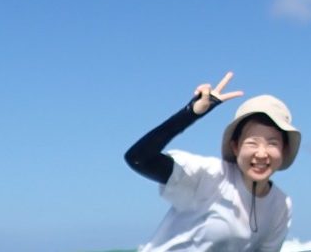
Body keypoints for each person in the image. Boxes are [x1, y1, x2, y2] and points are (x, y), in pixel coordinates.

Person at [125, 71, 301, 251]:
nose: (262, 154)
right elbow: (139, 158)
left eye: (272, 143)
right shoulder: (209, 175)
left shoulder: (281, 205)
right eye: (252, 143)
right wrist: (190, 113)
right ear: (235, 147)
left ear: (284, 149)